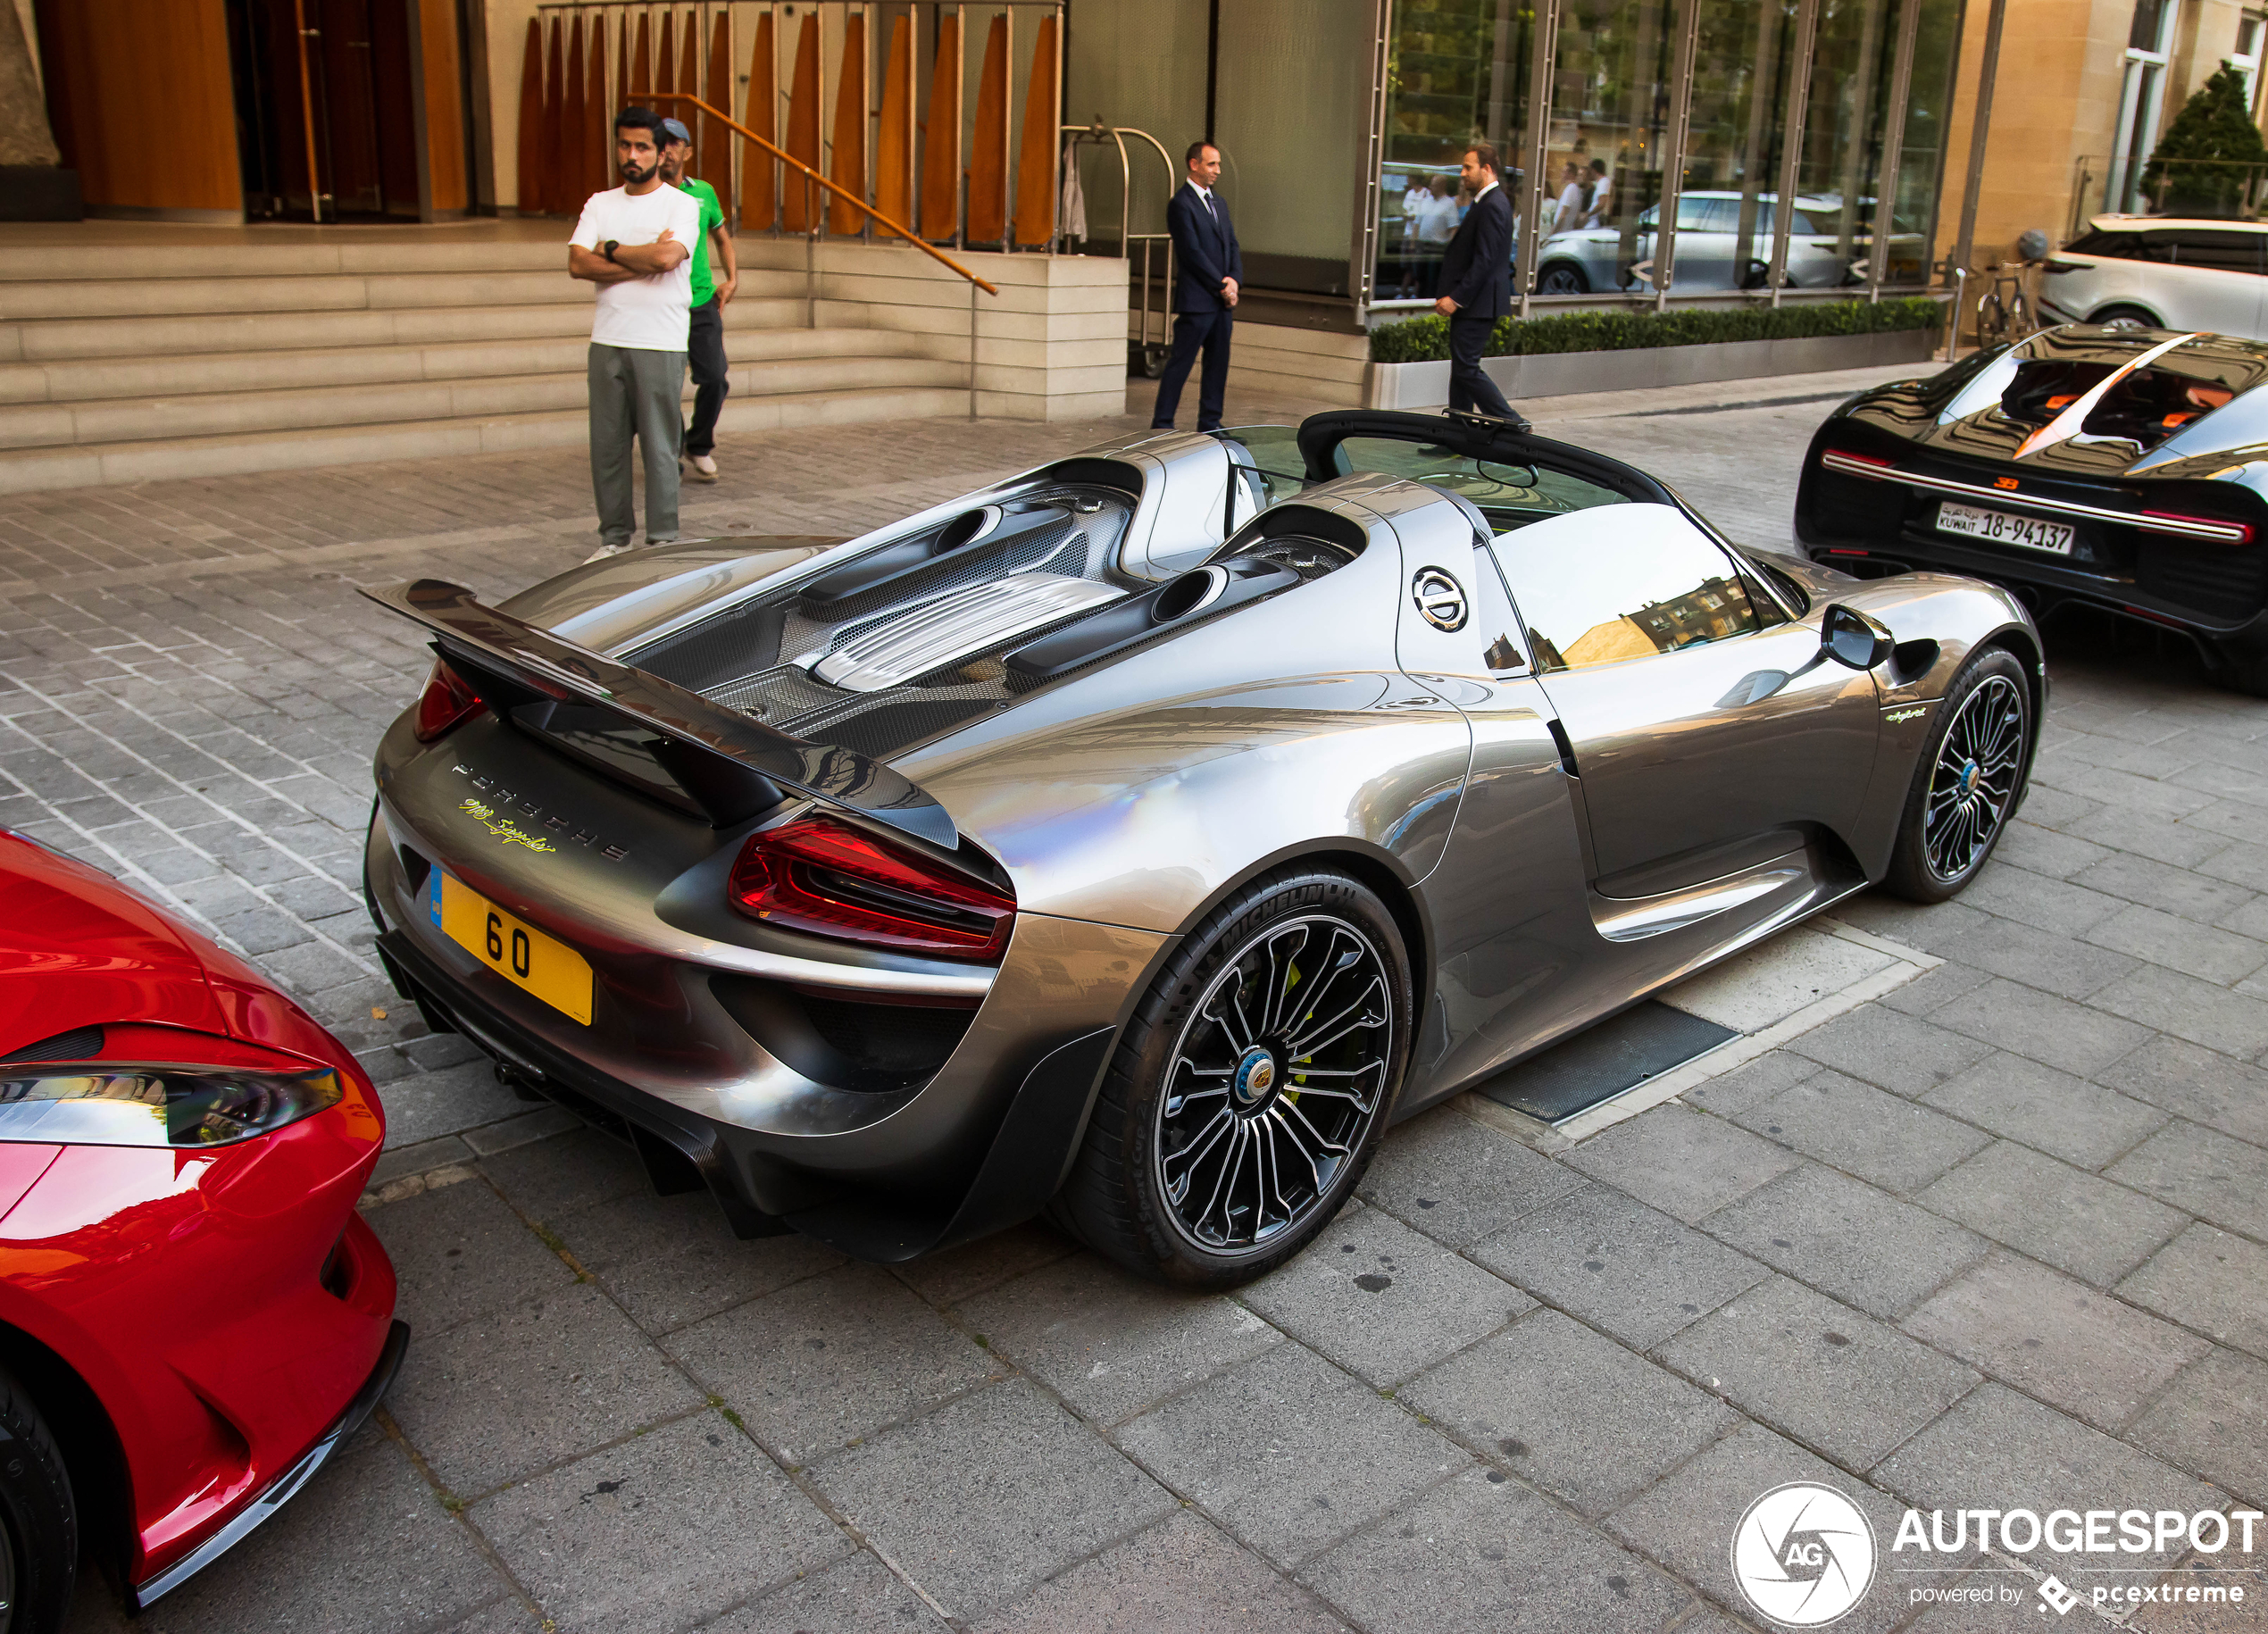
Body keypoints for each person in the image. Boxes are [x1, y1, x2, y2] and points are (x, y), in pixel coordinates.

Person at [569, 107, 699, 560]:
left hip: (660, 340)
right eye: (624, 145)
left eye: (642, 146)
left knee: (661, 448)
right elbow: (577, 264)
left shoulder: (683, 204)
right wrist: (637, 259)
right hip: (607, 339)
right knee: (606, 446)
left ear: (661, 153)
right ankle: (614, 541)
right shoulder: (599, 203)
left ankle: (662, 541)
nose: (631, 154)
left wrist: (610, 250)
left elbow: (667, 260)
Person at [657, 117, 737, 484]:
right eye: (661, 142)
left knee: (715, 378)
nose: (667, 149)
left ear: (687, 151)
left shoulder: (703, 192)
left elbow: (721, 237)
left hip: (702, 300)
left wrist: (732, 279)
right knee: (664, 384)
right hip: (661, 302)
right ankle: (668, 452)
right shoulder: (646, 195)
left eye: (675, 143)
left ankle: (698, 443)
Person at [1152, 140, 1242, 433]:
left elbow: (1231, 244)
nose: (1218, 170)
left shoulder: (1219, 202)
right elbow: (1191, 254)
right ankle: (1162, 424)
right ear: (1194, 164)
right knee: (1181, 364)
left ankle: (1211, 424)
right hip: (1197, 302)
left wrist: (1234, 281)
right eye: (1212, 164)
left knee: (1218, 366)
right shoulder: (1181, 204)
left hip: (1221, 302)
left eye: (1218, 164)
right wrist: (1221, 285)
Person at [1433, 142, 1518, 421]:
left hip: (1478, 303)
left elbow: (1485, 260)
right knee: (1461, 369)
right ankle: (1458, 436)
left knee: (1466, 369)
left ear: (1487, 169)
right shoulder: (1488, 202)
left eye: (1468, 167)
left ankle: (1512, 422)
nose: (1462, 173)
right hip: (1477, 302)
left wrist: (1456, 298)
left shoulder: (1493, 205)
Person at [1410, 174, 1459, 296]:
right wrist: (1413, 243)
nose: (1430, 187)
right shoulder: (1425, 202)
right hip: (1422, 246)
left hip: (1437, 247)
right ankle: (1419, 298)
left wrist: (1450, 248)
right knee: (1419, 276)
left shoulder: (1449, 204)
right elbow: (1417, 224)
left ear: (1442, 186)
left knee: (1432, 278)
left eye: (1434, 185)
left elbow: (1453, 228)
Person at [1551, 161, 1588, 236]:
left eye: (1564, 172)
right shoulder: (1574, 189)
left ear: (1570, 174)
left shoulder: (1571, 189)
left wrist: (1552, 233)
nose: (1562, 174)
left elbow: (1563, 214)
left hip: (1561, 233)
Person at [1585, 158, 1613, 228]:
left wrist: (1588, 214)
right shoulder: (1600, 183)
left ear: (1593, 170)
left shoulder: (1603, 182)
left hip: (1595, 221)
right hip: (1593, 220)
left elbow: (1601, 203)